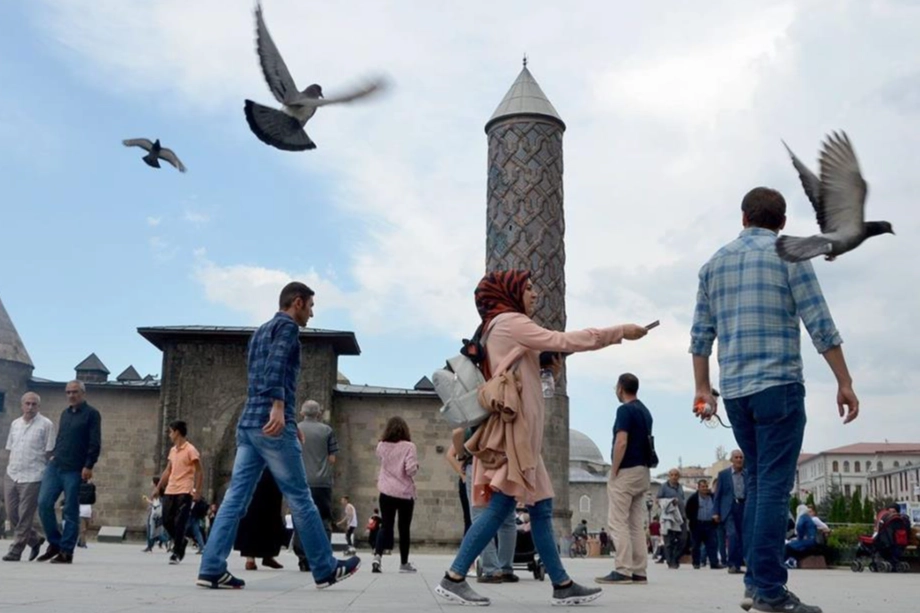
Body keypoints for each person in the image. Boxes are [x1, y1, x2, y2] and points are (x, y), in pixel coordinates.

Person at [434, 269, 648, 607]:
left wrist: (546, 365)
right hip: (516, 438)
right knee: (501, 507)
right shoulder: (509, 322)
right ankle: (455, 576)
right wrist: (620, 331)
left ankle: (562, 584)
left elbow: (535, 364)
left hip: (525, 438)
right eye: (528, 288)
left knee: (542, 508)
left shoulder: (500, 327)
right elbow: (565, 340)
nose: (535, 294)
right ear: (510, 292)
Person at [691, 187, 859, 613]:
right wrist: (844, 381)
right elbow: (819, 322)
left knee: (758, 483)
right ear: (782, 223)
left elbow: (700, 337)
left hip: (736, 394)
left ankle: (755, 583)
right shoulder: (790, 255)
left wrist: (702, 389)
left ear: (743, 218)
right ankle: (768, 589)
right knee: (772, 487)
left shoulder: (713, 265)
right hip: (778, 388)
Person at [196, 281, 360, 590]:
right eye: (310, 306)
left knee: (234, 499)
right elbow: (276, 367)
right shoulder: (287, 328)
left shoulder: (260, 332)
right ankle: (325, 568)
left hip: (249, 425)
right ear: (297, 302)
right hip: (272, 427)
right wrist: (279, 408)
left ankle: (211, 568)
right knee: (301, 498)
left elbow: (256, 377)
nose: (311, 314)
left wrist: (289, 418)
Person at [596, 373, 655, 585]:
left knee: (617, 521)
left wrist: (614, 470)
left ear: (620, 388)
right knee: (635, 523)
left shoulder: (624, 410)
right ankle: (639, 571)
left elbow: (621, 441)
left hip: (627, 470)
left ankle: (623, 570)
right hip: (643, 471)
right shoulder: (645, 411)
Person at [36, 380, 101, 564]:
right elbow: (62, 437)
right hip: (56, 465)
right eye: (68, 392)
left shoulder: (92, 414)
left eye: (75, 392)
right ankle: (55, 543)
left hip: (75, 469)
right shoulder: (65, 413)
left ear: (83, 393)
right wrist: (53, 455)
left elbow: (95, 442)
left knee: (70, 511)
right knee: (43, 503)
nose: (71, 395)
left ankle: (66, 552)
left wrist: (89, 465)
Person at [3, 392, 54, 562]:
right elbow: (10, 448)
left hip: (33, 476)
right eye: (27, 403)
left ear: (39, 406)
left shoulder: (46, 425)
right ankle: (34, 539)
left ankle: (15, 550)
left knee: (25, 515)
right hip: (13, 473)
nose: (30, 407)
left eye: (34, 404)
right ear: (22, 405)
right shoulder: (15, 424)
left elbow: (50, 451)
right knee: (12, 514)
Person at [294, 399, 338, 572]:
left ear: (302, 413)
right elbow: (332, 458)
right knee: (323, 519)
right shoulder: (327, 430)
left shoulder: (295, 429)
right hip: (322, 482)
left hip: (300, 481)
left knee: (300, 519)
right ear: (319, 413)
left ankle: (303, 558)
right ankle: (323, 556)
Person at [372, 416, 419, 574]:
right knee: (404, 528)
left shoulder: (381, 446)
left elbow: (382, 459)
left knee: (385, 525)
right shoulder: (409, 447)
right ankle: (404, 563)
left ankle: (377, 557)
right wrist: (416, 466)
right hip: (405, 493)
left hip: (386, 491)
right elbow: (410, 470)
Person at [153, 420, 202, 565]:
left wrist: (197, 490)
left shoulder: (191, 450)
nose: (169, 435)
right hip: (171, 489)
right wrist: (158, 487)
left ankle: (176, 553)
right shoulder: (173, 450)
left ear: (177, 432)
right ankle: (182, 541)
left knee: (179, 522)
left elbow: (200, 471)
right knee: (166, 520)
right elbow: (168, 470)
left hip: (185, 490)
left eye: (170, 432)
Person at [234, 469, 286, 570]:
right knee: (258, 515)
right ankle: (255, 558)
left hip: (262, 477)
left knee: (268, 516)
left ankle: (263, 556)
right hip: (264, 475)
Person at [714, 449, 746, 574]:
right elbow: (718, 494)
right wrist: (716, 512)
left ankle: (738, 564)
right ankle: (731, 564)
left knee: (742, 536)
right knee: (732, 535)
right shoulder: (723, 475)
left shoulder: (747, 474)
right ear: (731, 460)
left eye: (741, 457)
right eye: (736, 457)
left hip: (743, 507)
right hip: (729, 508)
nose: (739, 459)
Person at [686, 479, 722, 570]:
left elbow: (718, 507)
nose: (705, 488)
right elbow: (687, 511)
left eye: (706, 486)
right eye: (702, 487)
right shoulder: (693, 498)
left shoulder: (713, 497)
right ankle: (696, 563)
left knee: (712, 544)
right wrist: (693, 520)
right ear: (698, 487)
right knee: (696, 545)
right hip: (697, 524)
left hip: (710, 524)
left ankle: (714, 563)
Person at [657, 468, 687, 569]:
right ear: (669, 476)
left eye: (676, 475)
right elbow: (658, 500)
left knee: (683, 539)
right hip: (669, 518)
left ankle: (675, 558)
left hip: (681, 517)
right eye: (672, 475)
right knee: (668, 541)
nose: (674, 477)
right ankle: (671, 562)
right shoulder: (664, 487)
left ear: (679, 477)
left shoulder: (680, 487)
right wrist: (670, 502)